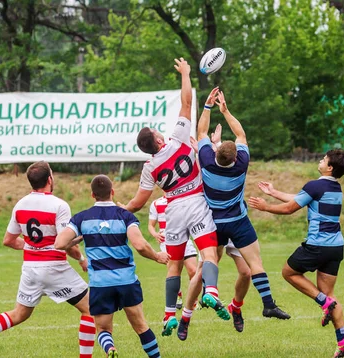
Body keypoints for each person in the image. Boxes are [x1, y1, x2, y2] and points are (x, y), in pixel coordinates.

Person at [122, 57, 228, 338]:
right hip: (196, 201)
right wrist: (186, 74)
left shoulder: (149, 168)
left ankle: (170, 312)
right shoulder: (178, 138)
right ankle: (212, 291)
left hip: (173, 210)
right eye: (157, 132)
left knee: (174, 264)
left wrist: (121, 208)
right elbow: (186, 103)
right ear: (157, 140)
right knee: (208, 253)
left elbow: (138, 202)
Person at [176, 88, 290, 339]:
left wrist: (207, 107)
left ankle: (236, 307)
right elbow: (240, 133)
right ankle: (187, 317)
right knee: (248, 265)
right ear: (236, 156)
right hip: (235, 223)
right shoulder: (242, 162)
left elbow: (202, 132)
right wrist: (225, 110)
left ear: (215, 152)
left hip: (214, 223)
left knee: (241, 272)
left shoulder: (206, 159)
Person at [0, 161, 93, 358]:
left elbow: (9, 240)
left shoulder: (20, 204)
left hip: (30, 269)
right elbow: (65, 243)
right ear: (49, 179)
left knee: (19, 314)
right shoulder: (59, 205)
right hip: (53, 267)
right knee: (90, 309)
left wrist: (32, 246)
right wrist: (81, 258)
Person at [248, 150, 344, 358]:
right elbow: (301, 199)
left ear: (330, 167)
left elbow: (290, 208)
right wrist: (274, 192)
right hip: (335, 247)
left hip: (317, 245)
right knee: (330, 295)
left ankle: (323, 302)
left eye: (323, 159)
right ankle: (343, 338)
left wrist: (266, 207)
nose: (320, 160)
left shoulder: (315, 185)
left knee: (289, 272)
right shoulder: (335, 187)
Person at [55, 175, 170, 358]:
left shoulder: (82, 219)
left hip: (100, 283)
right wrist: (157, 256)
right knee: (141, 326)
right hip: (126, 281)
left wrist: (79, 238)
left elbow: (60, 243)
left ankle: (111, 349)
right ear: (112, 192)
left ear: (93, 195)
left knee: (103, 329)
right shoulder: (125, 216)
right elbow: (140, 245)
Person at [148, 195, 198, 309]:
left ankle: (193, 300)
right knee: (174, 271)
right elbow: (151, 225)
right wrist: (155, 234)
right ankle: (178, 296)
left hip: (184, 238)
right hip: (167, 241)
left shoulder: (183, 199)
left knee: (193, 271)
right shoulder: (156, 203)